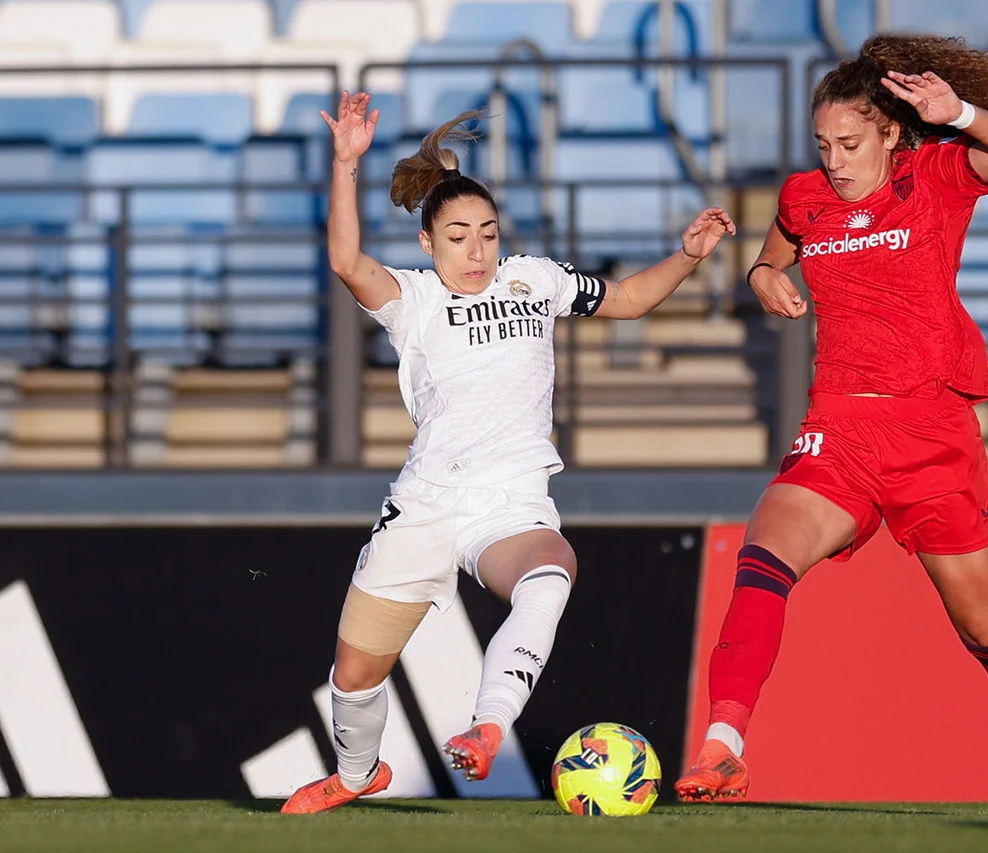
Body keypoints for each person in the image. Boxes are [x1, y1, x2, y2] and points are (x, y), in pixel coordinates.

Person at [674, 35, 988, 817]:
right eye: (823, 144)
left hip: (932, 433)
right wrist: (765, 275)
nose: (834, 160)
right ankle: (723, 746)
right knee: (763, 552)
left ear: (891, 133)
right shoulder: (806, 196)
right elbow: (774, 254)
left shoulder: (934, 177)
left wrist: (962, 113)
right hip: (837, 427)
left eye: (849, 143)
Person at [281, 91, 735, 814]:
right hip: (426, 503)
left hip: (509, 500)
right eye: (458, 235)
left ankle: (487, 727)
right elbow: (343, 258)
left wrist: (685, 256)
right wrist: (345, 166)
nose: (477, 250)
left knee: (550, 573)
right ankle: (358, 771)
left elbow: (626, 299)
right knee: (354, 676)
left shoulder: (535, 280)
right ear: (428, 242)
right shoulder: (416, 300)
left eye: (487, 233)